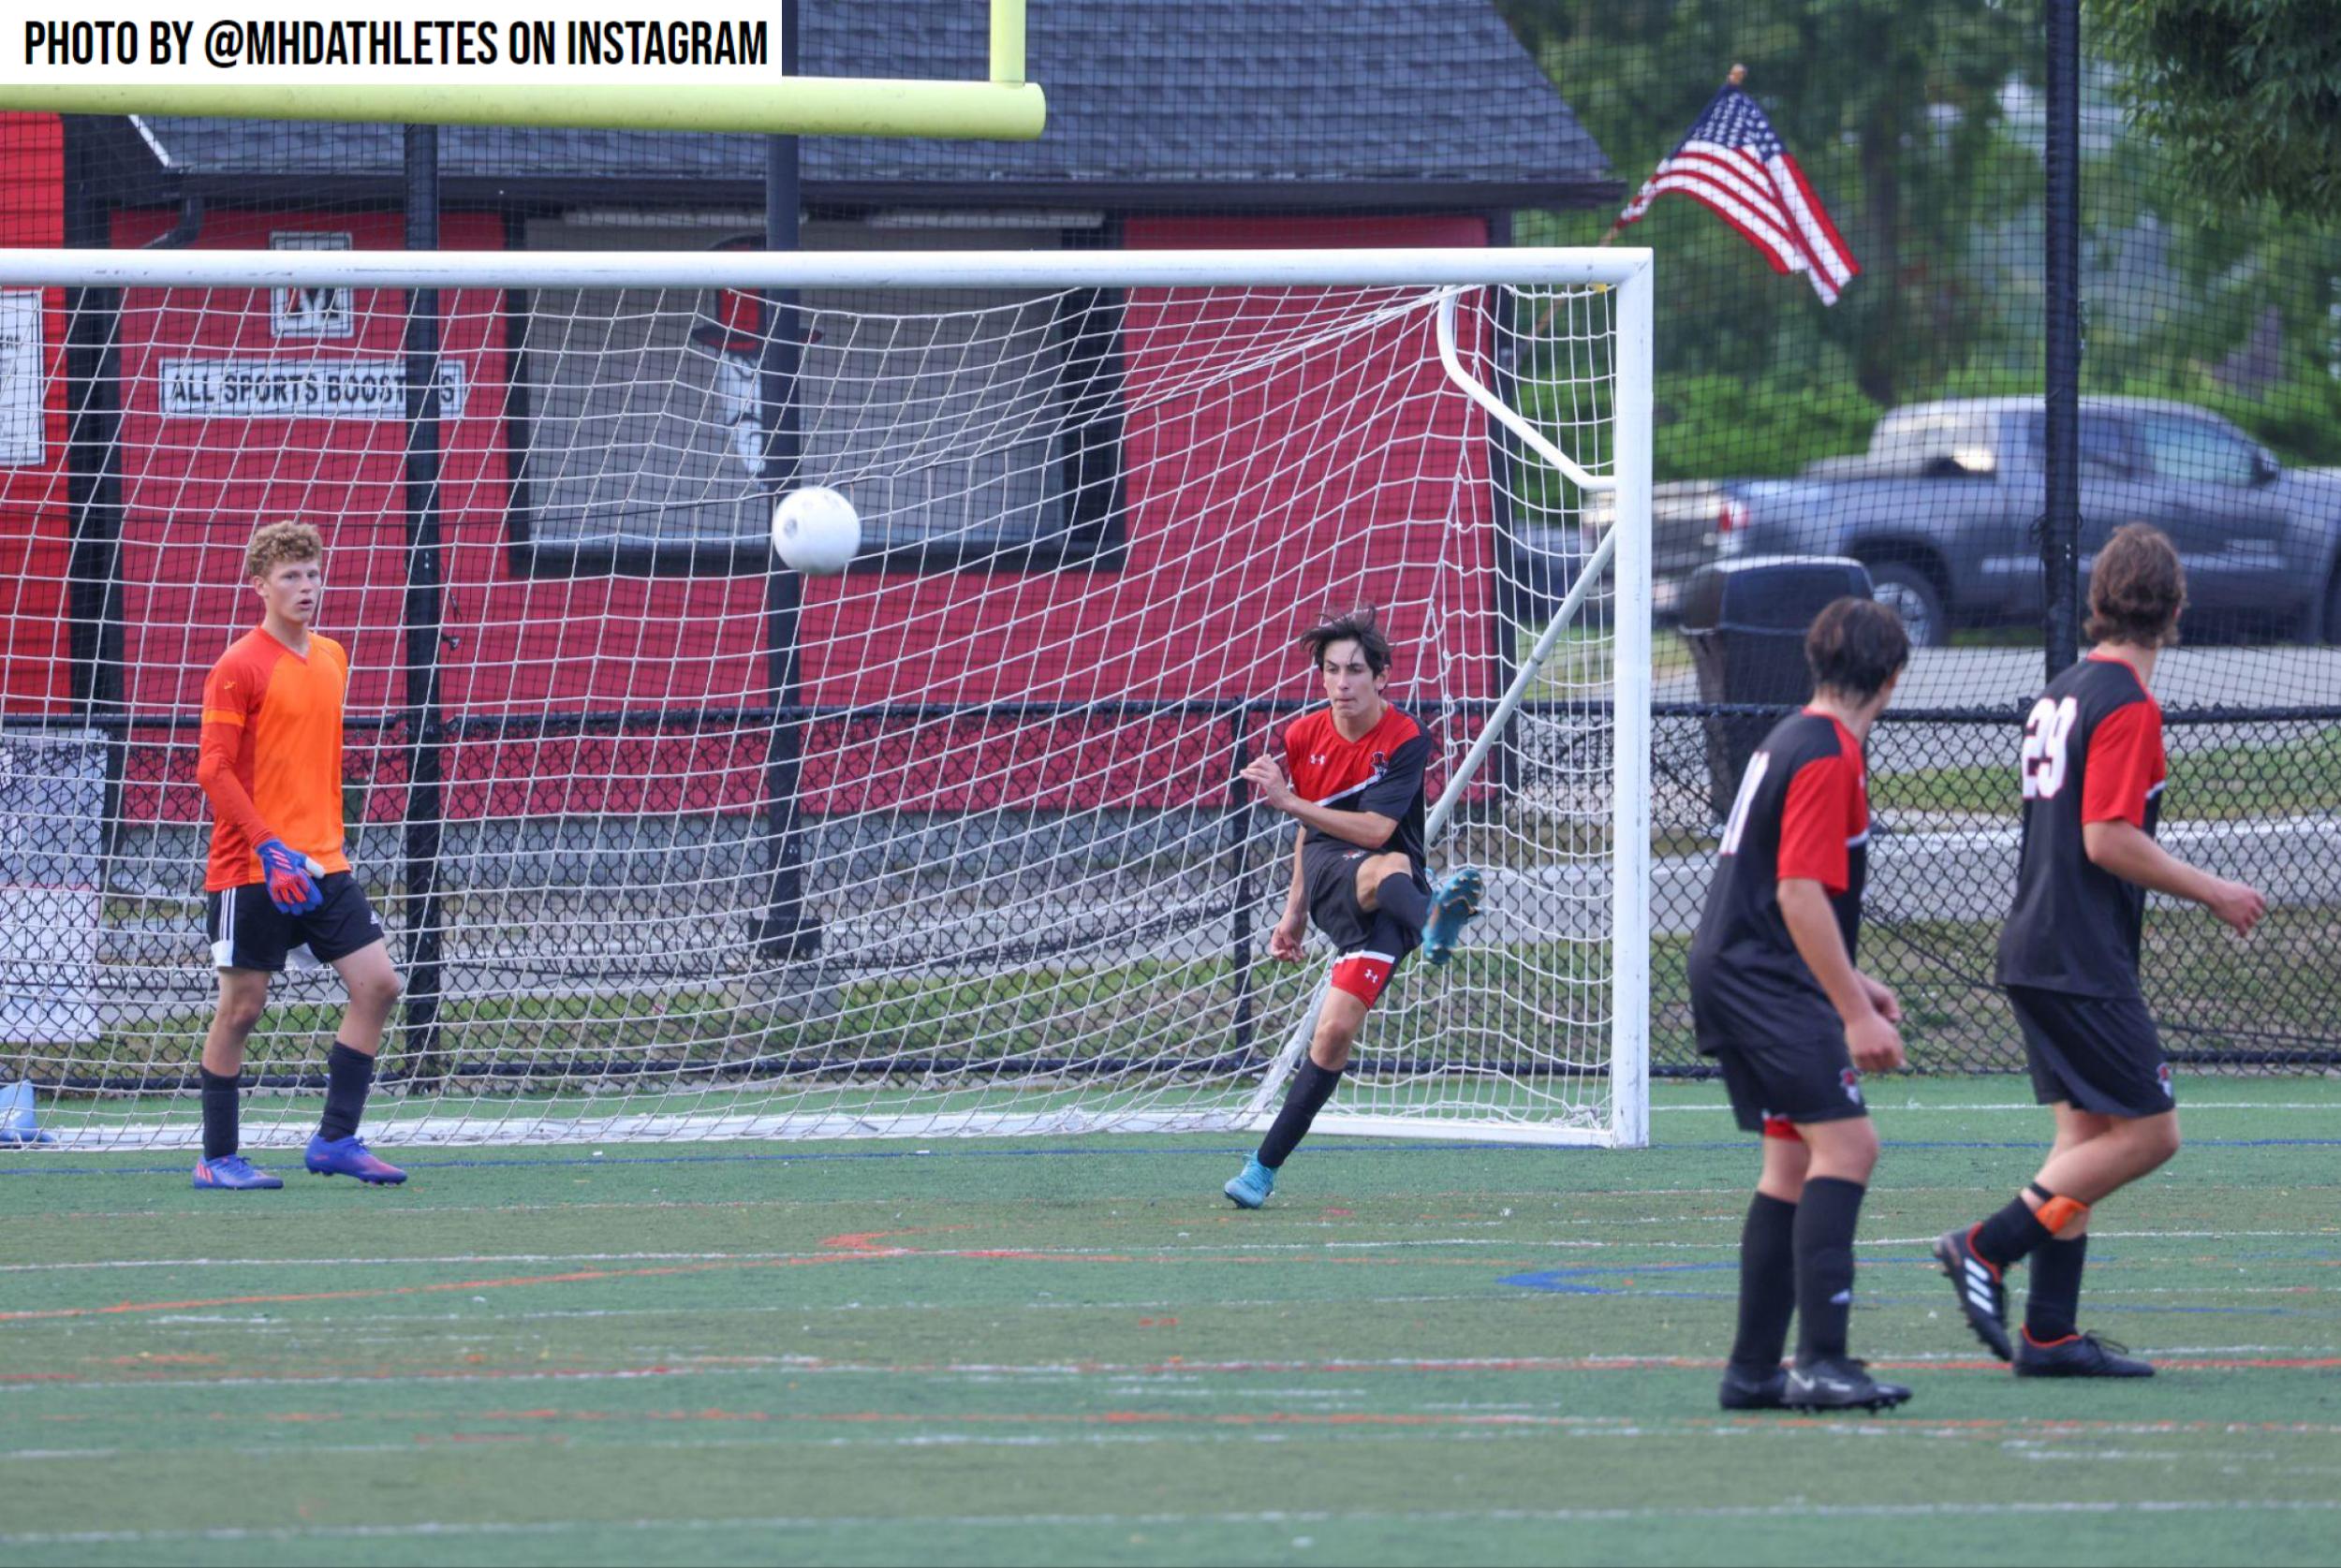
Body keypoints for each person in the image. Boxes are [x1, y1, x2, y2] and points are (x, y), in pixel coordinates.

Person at [1936, 524, 2264, 1375]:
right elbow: (2106, 839)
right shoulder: (2127, 703)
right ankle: (1985, 1243)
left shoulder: (2065, 689)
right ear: (2177, 611)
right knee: (2151, 1134)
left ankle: (2048, 1334)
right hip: (2079, 954)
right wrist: (2217, 889)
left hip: (2038, 943)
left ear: (2098, 603)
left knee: (2081, 1141)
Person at [1688, 596, 1911, 1414]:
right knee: (1849, 1149)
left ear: (1816, 662)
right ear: (1892, 680)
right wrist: (1852, 1011)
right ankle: (1822, 1360)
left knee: (1791, 1163)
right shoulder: (1826, 753)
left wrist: (1853, 984)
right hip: (1761, 981)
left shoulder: (1794, 735)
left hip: (1745, 968)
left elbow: (1785, 891)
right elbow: (1797, 892)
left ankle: (1752, 1373)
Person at [1221, 607, 1482, 1209]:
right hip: (1338, 879)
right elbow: (1315, 836)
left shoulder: (1406, 737)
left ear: (1382, 677)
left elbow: (1376, 826)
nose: (1343, 682)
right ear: (1322, 677)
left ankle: (1260, 1170)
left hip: (1388, 892)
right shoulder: (1303, 735)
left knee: (1334, 1034)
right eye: (1332, 670)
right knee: (1388, 867)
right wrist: (1292, 913)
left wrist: (1287, 801)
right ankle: (1435, 915)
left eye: (1356, 670)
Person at [192, 520, 407, 1190]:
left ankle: (335, 1138)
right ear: (260, 586)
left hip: (325, 863)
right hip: (251, 867)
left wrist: (315, 841)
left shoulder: (335, 656)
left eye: (313, 572)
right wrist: (269, 845)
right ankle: (218, 1156)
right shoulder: (238, 667)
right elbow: (214, 770)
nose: (306, 585)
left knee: (379, 984)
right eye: (290, 575)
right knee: (243, 1008)